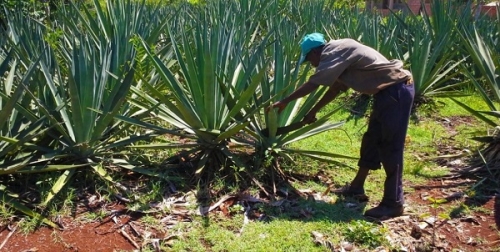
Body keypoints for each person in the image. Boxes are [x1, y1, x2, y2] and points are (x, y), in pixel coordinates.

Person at [268, 33, 414, 219]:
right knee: (371, 140)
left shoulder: (334, 51)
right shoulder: (338, 54)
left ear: (315, 51)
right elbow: (336, 88)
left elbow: (314, 83)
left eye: (310, 59)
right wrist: (313, 111)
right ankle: (356, 187)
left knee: (391, 147)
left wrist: (284, 102)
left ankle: (393, 203)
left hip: (397, 91)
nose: (312, 64)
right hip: (387, 93)